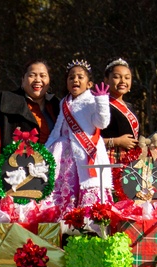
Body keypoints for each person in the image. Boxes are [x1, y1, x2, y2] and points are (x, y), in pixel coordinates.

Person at [45, 59, 111, 213]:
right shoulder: (64, 102)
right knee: (65, 186)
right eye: (71, 77)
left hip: (86, 151)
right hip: (65, 155)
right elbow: (58, 129)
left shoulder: (92, 100)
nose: (75, 80)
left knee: (88, 186)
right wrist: (46, 148)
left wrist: (102, 101)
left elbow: (102, 123)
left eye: (80, 77)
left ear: (89, 83)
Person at [0, 59, 60, 145]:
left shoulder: (57, 104)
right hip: (16, 158)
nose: (37, 80)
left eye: (43, 76)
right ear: (23, 79)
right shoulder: (8, 100)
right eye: (32, 75)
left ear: (49, 80)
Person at [100, 58, 140, 163]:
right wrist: (117, 141)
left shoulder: (129, 106)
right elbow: (90, 138)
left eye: (127, 78)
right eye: (117, 77)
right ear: (106, 80)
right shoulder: (101, 105)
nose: (123, 81)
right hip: (109, 158)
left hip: (129, 158)